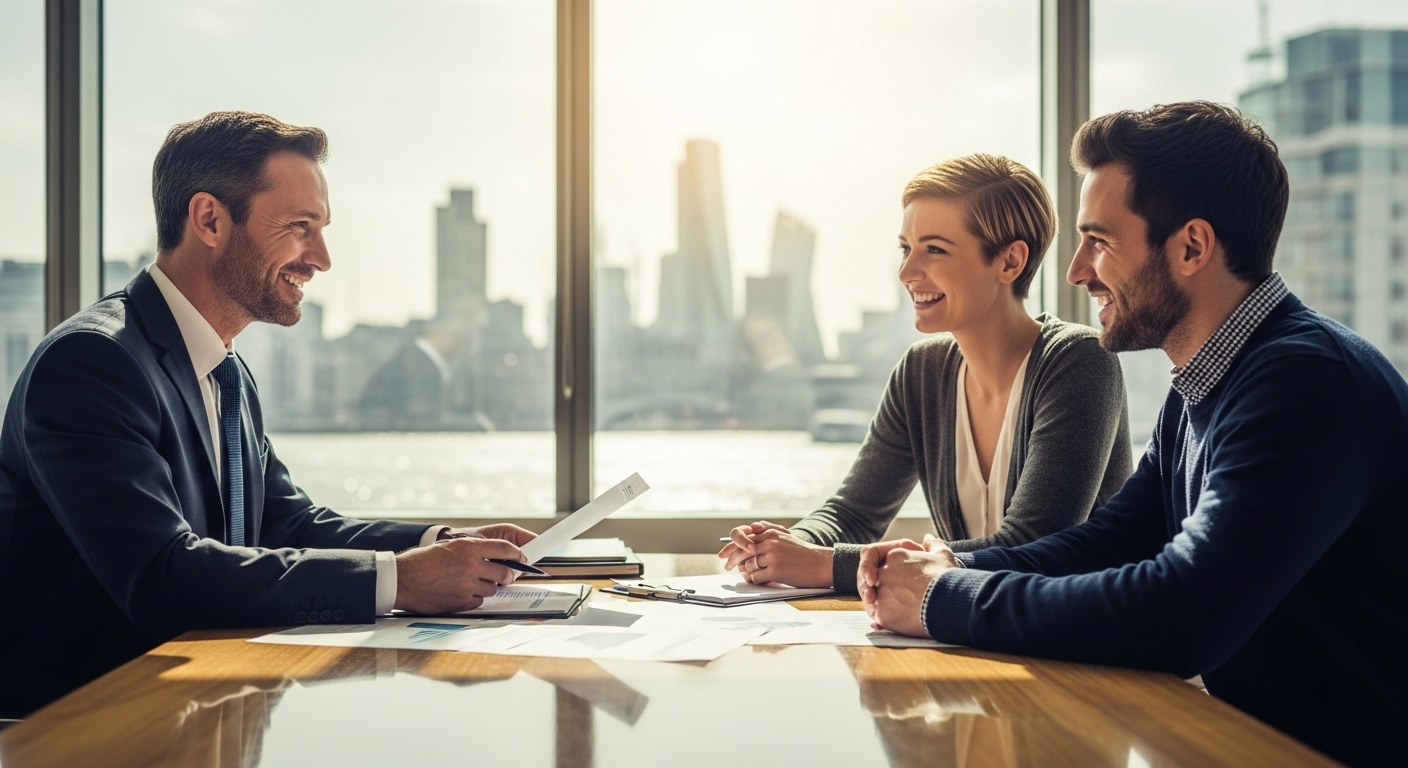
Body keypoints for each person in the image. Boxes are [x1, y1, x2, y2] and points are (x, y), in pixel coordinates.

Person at [860, 101, 1408, 766]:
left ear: (1192, 246)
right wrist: (953, 567)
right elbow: (1113, 541)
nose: (1076, 271)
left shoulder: (1305, 383)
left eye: (1101, 241)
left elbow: (1180, 615)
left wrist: (944, 598)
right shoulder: (1209, 379)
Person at [0, 111, 537, 719]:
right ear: (209, 219)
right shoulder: (92, 363)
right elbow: (162, 576)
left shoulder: (224, 368)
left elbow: (287, 525)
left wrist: (445, 546)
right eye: (300, 227)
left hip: (195, 704)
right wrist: (402, 580)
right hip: (77, 729)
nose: (323, 259)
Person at [719, 154, 1132, 591]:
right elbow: (854, 513)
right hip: (973, 633)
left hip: (1077, 647)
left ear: (1010, 262)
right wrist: (783, 546)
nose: (907, 272)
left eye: (934, 250)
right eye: (905, 248)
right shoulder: (922, 371)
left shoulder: (1080, 361)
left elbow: (1032, 546)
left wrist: (822, 565)